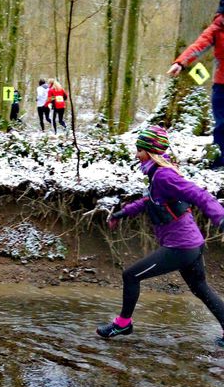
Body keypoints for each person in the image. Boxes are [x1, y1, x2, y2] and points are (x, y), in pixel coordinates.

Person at [96, 125, 224, 346]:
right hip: (192, 244)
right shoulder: (157, 175)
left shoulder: (164, 175)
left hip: (181, 247)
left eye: (139, 149)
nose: (136, 155)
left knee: (130, 276)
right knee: (200, 288)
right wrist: (121, 213)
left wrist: (220, 217)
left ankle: (123, 323)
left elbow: (198, 193)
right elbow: (148, 202)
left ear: (149, 151)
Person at [167, 0, 224, 168]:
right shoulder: (217, 28)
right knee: (221, 124)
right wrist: (180, 63)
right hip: (221, 85)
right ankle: (220, 159)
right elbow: (199, 45)